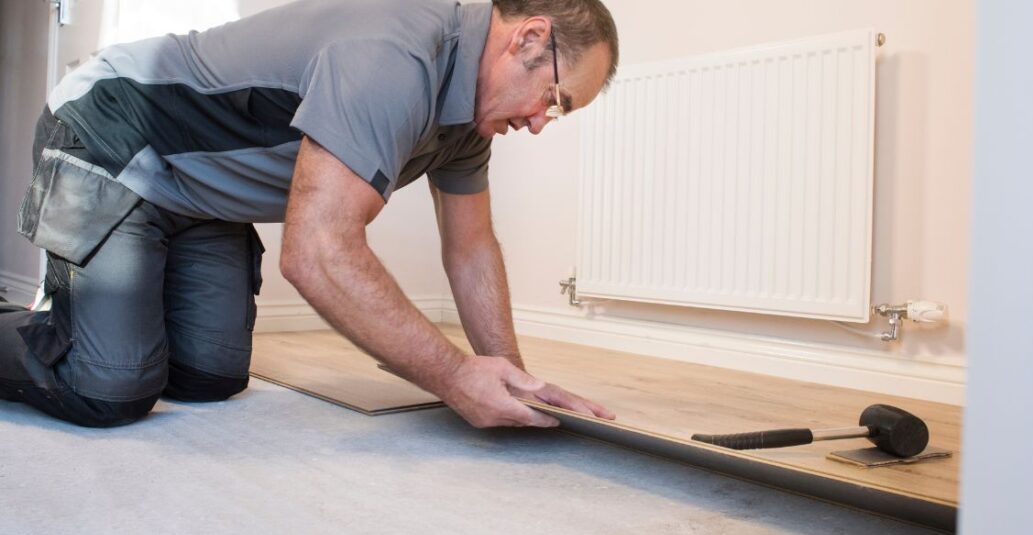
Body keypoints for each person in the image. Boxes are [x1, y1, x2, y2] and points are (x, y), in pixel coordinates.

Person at [0, 0, 619, 429]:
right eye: (554, 101)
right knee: (106, 387)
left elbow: (471, 248)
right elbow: (318, 253)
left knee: (207, 377)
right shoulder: (395, 54)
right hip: (116, 135)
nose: (540, 123)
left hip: (199, 196)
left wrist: (511, 378)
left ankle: (112, 318)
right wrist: (456, 377)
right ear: (529, 38)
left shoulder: (467, 125)